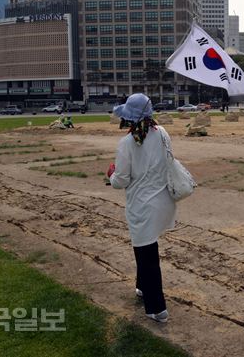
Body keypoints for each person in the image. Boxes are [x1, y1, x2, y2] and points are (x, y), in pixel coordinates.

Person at [107, 93, 175, 323]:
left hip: (142, 206)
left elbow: (121, 180)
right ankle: (142, 287)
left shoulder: (127, 143)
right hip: (163, 202)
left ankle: (157, 309)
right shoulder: (162, 133)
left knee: (147, 255)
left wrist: (111, 174)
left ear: (129, 118)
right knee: (145, 248)